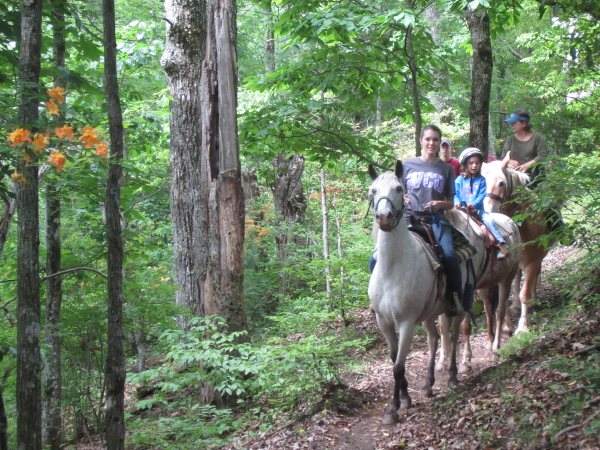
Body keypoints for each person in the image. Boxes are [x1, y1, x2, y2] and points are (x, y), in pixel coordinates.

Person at [402, 125, 464, 314]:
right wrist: (402, 198)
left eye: (435, 139)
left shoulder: (446, 169)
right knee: (378, 255)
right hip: (408, 218)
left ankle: (453, 298)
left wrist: (440, 204)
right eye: (428, 139)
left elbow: (451, 202)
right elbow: (398, 192)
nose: (431, 143)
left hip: (435, 219)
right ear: (421, 140)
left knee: (450, 256)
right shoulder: (406, 165)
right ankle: (377, 298)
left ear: (439, 143)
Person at [454, 147, 509, 259]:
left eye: (477, 163)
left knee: (488, 220)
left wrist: (473, 205)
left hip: (477, 211)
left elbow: (481, 195)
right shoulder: (459, 180)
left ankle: (501, 243)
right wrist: (457, 202)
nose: (474, 166)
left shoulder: (482, 180)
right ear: (465, 164)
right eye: (471, 163)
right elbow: (455, 194)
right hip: (461, 210)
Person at [501, 110, 548, 184]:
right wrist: (509, 162)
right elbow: (503, 157)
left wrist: (527, 165)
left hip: (535, 179)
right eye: (511, 123)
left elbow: (543, 156)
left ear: (524, 123)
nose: (511, 125)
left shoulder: (538, 138)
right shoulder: (510, 139)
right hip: (514, 179)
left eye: (514, 123)